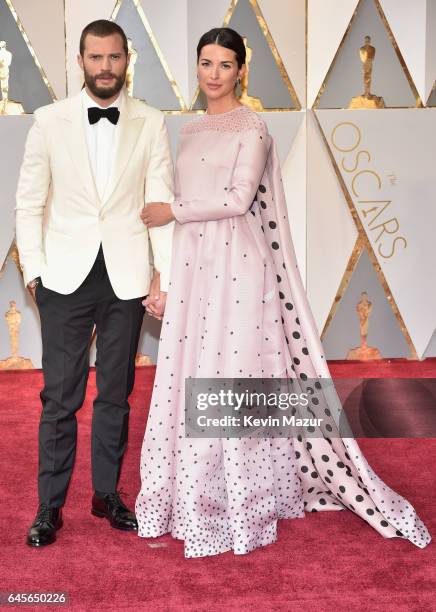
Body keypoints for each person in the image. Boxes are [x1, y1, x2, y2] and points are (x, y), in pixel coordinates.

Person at [135, 27, 431, 558]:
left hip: (240, 264)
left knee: (232, 375)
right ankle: (194, 493)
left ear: (241, 71)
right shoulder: (188, 130)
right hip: (194, 264)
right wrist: (163, 277)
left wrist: (170, 211)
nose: (214, 73)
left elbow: (236, 197)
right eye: (206, 62)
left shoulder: (254, 128)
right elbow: (179, 204)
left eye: (226, 64)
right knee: (189, 373)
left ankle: (245, 497)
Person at [15, 19, 174, 547]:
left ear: (127, 59)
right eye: (95, 57)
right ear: (80, 61)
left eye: (114, 57)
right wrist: (34, 271)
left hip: (126, 278)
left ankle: (107, 495)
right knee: (59, 398)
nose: (105, 67)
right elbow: (29, 202)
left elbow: (159, 207)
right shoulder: (49, 120)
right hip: (63, 275)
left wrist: (163, 276)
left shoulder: (152, 122)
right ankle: (49, 507)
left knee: (116, 394)